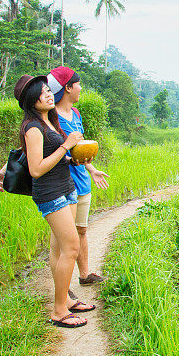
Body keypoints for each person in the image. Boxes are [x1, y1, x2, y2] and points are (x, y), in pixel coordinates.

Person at [12, 74, 94, 328]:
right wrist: (66, 146)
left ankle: (67, 302)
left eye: (49, 90)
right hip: (51, 193)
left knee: (60, 249)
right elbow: (36, 169)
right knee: (71, 248)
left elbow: (55, 158)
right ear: (31, 100)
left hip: (67, 188)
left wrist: (74, 159)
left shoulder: (50, 122)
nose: (48, 94)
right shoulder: (33, 127)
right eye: (42, 92)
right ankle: (59, 310)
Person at [47, 66, 109, 286]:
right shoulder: (50, 117)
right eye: (78, 84)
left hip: (81, 182)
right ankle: (61, 290)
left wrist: (92, 170)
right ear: (68, 87)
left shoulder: (76, 114)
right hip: (62, 184)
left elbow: (79, 149)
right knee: (61, 240)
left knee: (81, 230)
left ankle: (84, 275)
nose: (81, 88)